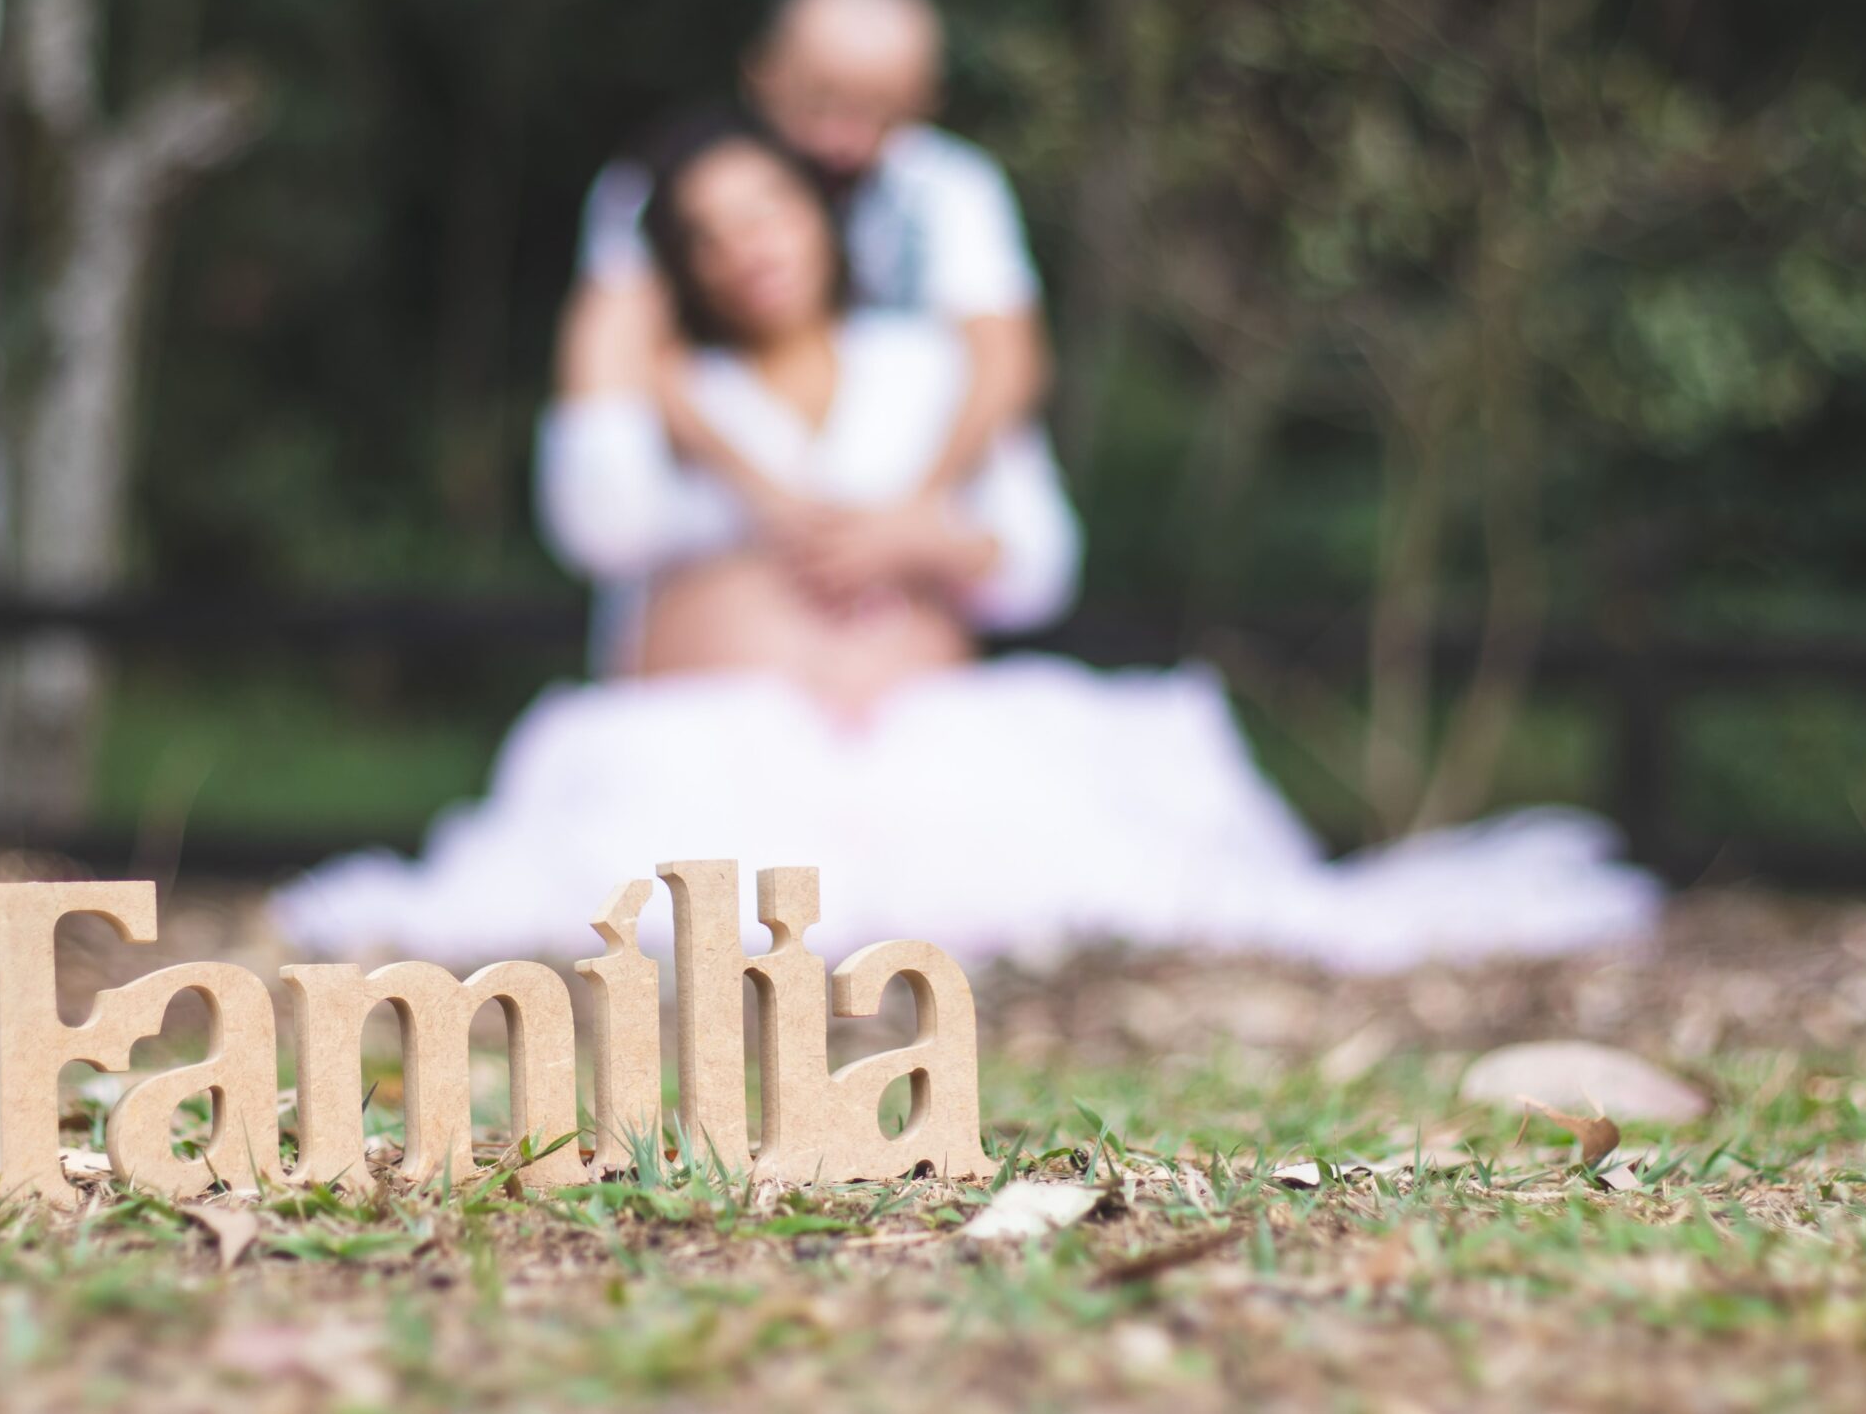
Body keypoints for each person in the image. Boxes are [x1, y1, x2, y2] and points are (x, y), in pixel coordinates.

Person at [271, 113, 1659, 972]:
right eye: (702, 236)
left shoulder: (928, 368)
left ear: (819, 215)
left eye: (763, 208)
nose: (744, 246)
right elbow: (600, 524)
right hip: (697, 755)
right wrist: (619, 350)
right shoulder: (674, 390)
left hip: (928, 744)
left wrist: (913, 535)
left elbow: (1033, 562)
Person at [558, 0, 1048, 673]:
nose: (843, 139)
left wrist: (908, 520)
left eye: (883, 111)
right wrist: (761, 490)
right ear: (762, 72)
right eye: (820, 102)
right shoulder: (662, 181)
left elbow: (1007, 366)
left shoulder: (951, 195)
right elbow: (616, 372)